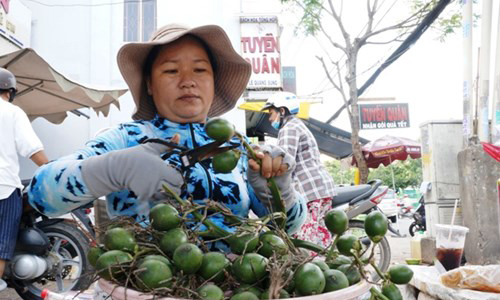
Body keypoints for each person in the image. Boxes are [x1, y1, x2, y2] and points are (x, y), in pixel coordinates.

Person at [27, 24, 307, 250]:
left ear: (213, 81)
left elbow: (287, 227)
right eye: (171, 70)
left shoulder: (235, 149)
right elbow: (41, 195)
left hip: (232, 286)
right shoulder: (125, 139)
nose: (187, 80)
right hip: (146, 284)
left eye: (200, 70)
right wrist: (112, 169)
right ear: (149, 83)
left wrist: (278, 192)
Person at [262, 91, 336, 248]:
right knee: (320, 236)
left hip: (310, 190)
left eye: (271, 113)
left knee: (304, 241)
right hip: (321, 188)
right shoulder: (298, 125)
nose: (269, 118)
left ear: (282, 111)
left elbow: (283, 162)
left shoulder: (289, 128)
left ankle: (313, 270)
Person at [0, 68, 49, 291]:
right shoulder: (12, 112)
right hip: (4, 188)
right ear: (10, 91)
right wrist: (52, 170)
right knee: (1, 249)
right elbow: (32, 149)